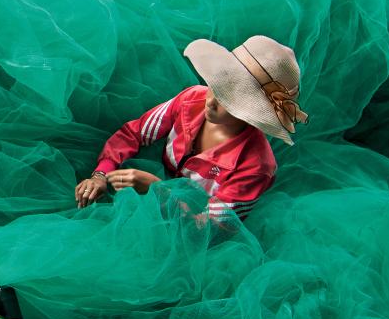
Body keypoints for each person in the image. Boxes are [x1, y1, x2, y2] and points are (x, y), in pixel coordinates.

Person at [75, 35, 309, 222]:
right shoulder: (191, 99)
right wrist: (101, 174)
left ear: (254, 111)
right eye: (216, 84)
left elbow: (211, 228)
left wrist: (158, 190)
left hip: (186, 227)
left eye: (231, 99)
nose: (213, 100)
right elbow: (134, 133)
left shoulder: (255, 165)